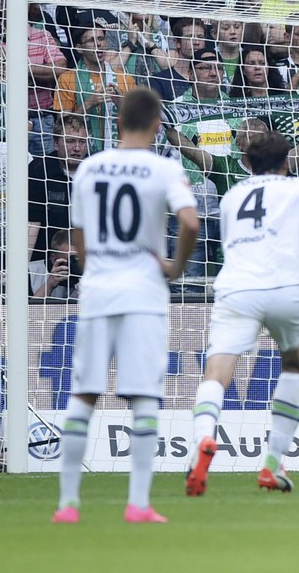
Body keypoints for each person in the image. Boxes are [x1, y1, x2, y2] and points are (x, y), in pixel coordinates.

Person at [54, 88, 200, 525]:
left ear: (117, 122)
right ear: (158, 125)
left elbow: (78, 232)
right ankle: (137, 503)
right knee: (144, 395)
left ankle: (67, 504)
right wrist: (175, 267)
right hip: (143, 291)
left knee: (84, 392)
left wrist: (93, 262)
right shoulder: (165, 167)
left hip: (97, 287)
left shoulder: (89, 167)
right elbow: (191, 221)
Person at [185, 132, 299, 497]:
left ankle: (202, 443)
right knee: (293, 365)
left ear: (249, 165)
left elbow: (249, 244)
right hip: (285, 288)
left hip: (237, 287)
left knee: (218, 370)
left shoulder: (231, 197)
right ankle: (272, 463)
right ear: (286, 162)